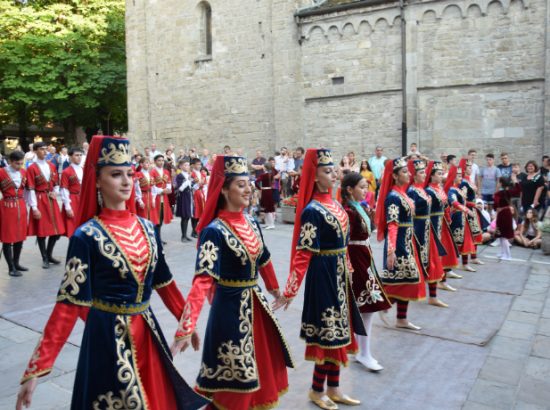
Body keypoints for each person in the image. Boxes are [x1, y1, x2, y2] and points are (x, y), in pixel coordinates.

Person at [16, 135, 208, 410]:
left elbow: (164, 281)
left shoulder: (147, 228)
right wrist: (37, 368)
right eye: (116, 174)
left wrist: (185, 322)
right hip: (106, 338)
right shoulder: (87, 236)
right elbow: (69, 305)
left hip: (147, 333)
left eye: (129, 174)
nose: (127, 181)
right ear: (97, 180)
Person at [177, 155, 293, 410]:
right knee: (234, 381)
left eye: (248, 183)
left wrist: (276, 291)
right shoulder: (214, 231)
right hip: (229, 314)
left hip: (257, 310)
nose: (249, 188)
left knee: (256, 376)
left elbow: (263, 258)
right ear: (225, 190)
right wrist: (187, 326)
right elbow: (202, 282)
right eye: (241, 184)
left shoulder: (251, 221)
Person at [275, 149, 365, 410]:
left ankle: (334, 388)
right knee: (327, 334)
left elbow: (344, 243)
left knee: (340, 333)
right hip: (322, 276)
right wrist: (290, 291)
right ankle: (317, 390)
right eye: (327, 171)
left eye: (333, 169)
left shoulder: (336, 204)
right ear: (314, 178)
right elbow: (303, 254)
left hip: (338, 276)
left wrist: (348, 269)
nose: (334, 174)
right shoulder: (312, 211)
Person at [341, 172, 391, 372]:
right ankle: (363, 352)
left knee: (366, 308)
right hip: (355, 259)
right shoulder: (347, 212)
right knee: (366, 306)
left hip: (364, 257)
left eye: (366, 186)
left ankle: (362, 351)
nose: (365, 190)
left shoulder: (358, 208)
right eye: (362, 186)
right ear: (349, 189)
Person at [375, 158, 426, 331]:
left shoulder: (403, 194)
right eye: (404, 172)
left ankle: (401, 319)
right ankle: (384, 303)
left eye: (408, 171)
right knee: (408, 279)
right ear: (395, 176)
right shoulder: (393, 198)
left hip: (407, 242)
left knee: (408, 280)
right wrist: (391, 250)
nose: (409, 174)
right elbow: (392, 225)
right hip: (398, 245)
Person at [407, 160, 448, 308]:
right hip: (417, 230)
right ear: (415, 175)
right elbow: (409, 214)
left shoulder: (422, 190)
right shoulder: (412, 191)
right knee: (416, 265)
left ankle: (433, 296)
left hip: (427, 228)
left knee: (433, 262)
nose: (424, 174)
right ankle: (396, 300)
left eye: (425, 171)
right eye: (421, 172)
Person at [26, 141, 65, 269]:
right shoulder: (32, 168)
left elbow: (57, 183)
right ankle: (44, 258)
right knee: (42, 231)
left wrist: (55, 192)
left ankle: (49, 254)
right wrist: (34, 207)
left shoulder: (51, 166)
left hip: (51, 199)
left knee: (57, 231)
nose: (45, 152)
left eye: (45, 149)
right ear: (36, 151)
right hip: (40, 199)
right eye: (42, 149)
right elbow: (30, 188)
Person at [424, 161, 461, 293]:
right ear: (432, 175)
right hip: (433, 224)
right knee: (434, 254)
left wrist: (448, 217)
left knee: (445, 252)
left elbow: (445, 205)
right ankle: (434, 282)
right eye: (439, 174)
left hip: (443, 223)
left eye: (441, 174)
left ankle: (442, 280)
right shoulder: (428, 190)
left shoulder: (439, 188)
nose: (441, 176)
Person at [0, 151, 28, 277]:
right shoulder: (1, 173)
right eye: (17, 163)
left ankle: (16, 263)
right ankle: (11, 267)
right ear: (10, 161)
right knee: (8, 237)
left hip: (21, 206)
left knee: (20, 237)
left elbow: (26, 190)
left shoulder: (23, 172)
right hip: (7, 206)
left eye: (21, 163)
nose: (19, 166)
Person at [445, 165, 478, 272]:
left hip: (463, 218)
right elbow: (453, 201)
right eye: (458, 176)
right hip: (457, 218)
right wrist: (467, 210)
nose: (460, 177)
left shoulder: (458, 189)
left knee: (466, 242)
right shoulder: (452, 190)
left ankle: (465, 264)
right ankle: (447, 269)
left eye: (460, 175)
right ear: (453, 177)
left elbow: (463, 201)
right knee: (453, 243)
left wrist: (471, 207)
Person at [459, 158, 485, 268]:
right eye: (469, 167)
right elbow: (463, 200)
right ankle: (465, 263)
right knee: (468, 236)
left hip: (473, 210)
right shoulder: (464, 182)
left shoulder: (469, 180)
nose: (471, 169)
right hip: (468, 211)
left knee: (475, 234)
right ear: (464, 169)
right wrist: (474, 205)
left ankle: (474, 257)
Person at [494, 176, 522, 260]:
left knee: (503, 236)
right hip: (507, 213)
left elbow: (495, 204)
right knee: (502, 235)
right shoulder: (509, 192)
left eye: (499, 182)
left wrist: (496, 208)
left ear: (501, 183)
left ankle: (508, 255)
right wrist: (516, 181)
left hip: (502, 214)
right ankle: (503, 252)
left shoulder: (498, 193)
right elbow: (518, 190)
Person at [60, 147, 84, 238]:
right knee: (73, 227)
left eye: (80, 155)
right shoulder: (66, 172)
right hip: (72, 200)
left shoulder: (83, 169)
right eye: (76, 155)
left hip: (83, 200)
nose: (79, 157)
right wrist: (67, 207)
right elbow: (64, 189)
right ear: (70, 157)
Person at [150, 154, 173, 243]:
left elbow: (169, 184)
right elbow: (152, 186)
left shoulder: (166, 172)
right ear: (155, 161)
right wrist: (162, 191)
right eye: (159, 160)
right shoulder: (152, 172)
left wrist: (168, 189)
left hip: (164, 199)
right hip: (156, 198)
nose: (161, 162)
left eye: (162, 160)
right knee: (156, 219)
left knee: (161, 218)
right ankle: (155, 238)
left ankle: (159, 238)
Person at [135, 157, 159, 225]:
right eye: (146, 163)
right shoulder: (138, 174)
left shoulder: (150, 174)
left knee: (152, 218)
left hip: (150, 197)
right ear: (141, 164)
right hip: (142, 197)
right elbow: (136, 188)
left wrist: (154, 199)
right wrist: (140, 201)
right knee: (143, 217)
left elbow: (154, 187)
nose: (148, 164)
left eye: (149, 163)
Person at [255, 161, 278, 230]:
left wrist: (259, 188)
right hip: (269, 191)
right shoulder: (271, 174)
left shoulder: (263, 175)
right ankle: (268, 223)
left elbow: (256, 182)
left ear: (265, 168)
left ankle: (271, 224)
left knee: (267, 209)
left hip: (265, 191)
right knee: (268, 208)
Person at [174, 159, 193, 242]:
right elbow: (180, 188)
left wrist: (191, 182)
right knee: (184, 216)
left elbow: (190, 186)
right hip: (183, 197)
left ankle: (185, 235)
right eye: (185, 165)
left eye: (188, 165)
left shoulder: (187, 175)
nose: (187, 167)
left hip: (188, 196)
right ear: (181, 166)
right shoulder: (179, 175)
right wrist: (188, 180)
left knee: (188, 216)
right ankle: (183, 236)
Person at [190, 157, 207, 238]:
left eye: (200, 164)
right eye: (197, 164)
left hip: (201, 194)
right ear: (193, 165)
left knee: (201, 212)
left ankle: (199, 229)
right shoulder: (191, 174)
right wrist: (198, 185)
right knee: (195, 213)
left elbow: (205, 185)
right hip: (195, 194)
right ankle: (193, 230)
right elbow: (191, 185)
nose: (199, 166)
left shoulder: (202, 174)